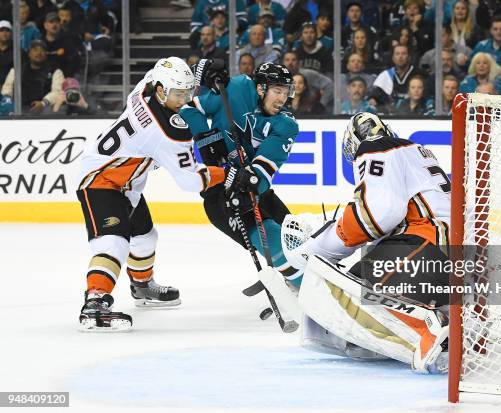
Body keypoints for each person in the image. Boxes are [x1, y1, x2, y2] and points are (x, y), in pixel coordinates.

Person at [285, 112, 450, 372]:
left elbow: (378, 214)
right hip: (458, 258)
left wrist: (318, 249)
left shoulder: (375, 148)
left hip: (431, 247)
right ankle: (449, 321)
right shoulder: (414, 152)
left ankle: (429, 327)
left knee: (345, 293)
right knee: (359, 275)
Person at [76, 56, 225, 332]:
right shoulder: (169, 129)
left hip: (126, 183)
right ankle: (95, 304)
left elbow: (163, 67)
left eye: (187, 92)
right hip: (101, 180)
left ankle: (142, 286)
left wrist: (192, 74)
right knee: (114, 243)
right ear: (161, 90)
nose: (183, 99)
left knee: (145, 238)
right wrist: (225, 174)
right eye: (178, 94)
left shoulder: (144, 87)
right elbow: (191, 180)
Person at [180, 60, 304, 285]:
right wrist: (208, 143)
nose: (282, 99)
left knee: (297, 239)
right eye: (277, 91)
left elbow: (265, 168)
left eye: (286, 92)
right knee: (274, 238)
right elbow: (187, 108)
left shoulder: (286, 124)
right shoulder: (235, 90)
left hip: (254, 190)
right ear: (260, 88)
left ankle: (299, 276)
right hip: (220, 196)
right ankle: (305, 287)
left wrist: (252, 184)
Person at [1, 39, 64, 114]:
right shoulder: (16, 70)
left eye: (42, 50)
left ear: (46, 54)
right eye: (35, 50)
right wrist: (9, 104)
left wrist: (43, 103)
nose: (39, 53)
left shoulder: (55, 71)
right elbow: (7, 90)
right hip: (18, 111)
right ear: (29, 54)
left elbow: (58, 92)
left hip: (45, 111)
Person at [368, 44, 425, 114]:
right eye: (397, 54)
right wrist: (373, 99)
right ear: (393, 58)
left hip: (415, 115)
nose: (400, 57)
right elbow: (375, 95)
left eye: (403, 53)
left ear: (409, 57)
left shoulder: (420, 74)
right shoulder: (386, 75)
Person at [0, 20, 12, 86]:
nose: (4, 33)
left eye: (7, 30)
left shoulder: (17, 51)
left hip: (10, 87)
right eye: (1, 31)